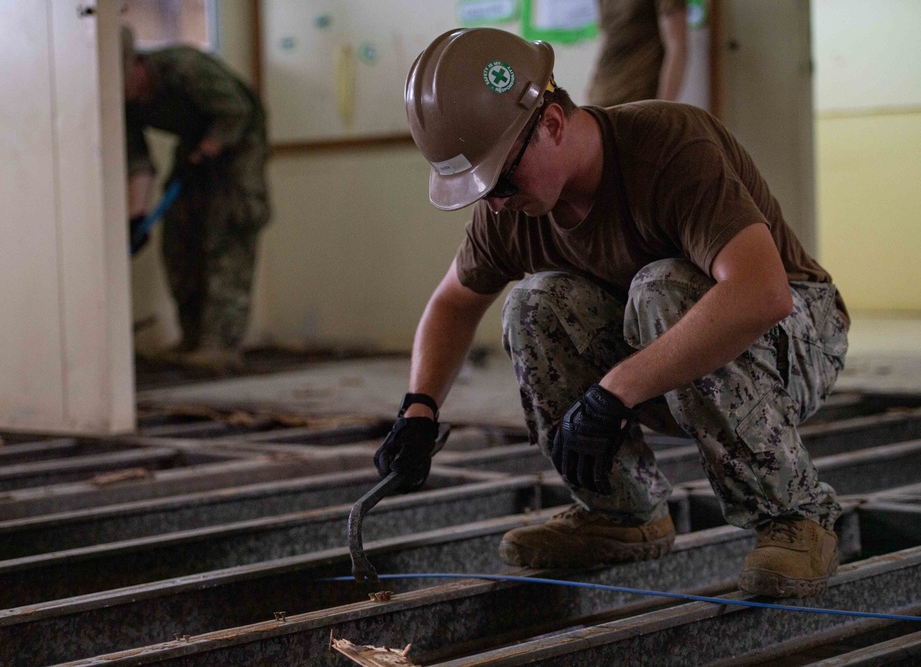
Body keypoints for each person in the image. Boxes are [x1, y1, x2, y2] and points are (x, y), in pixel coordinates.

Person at [374, 28, 849, 599]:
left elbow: (760, 293)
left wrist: (615, 390)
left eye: (501, 180)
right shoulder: (510, 210)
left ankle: (794, 518)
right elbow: (453, 303)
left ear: (550, 124)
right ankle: (624, 514)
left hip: (796, 338)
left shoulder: (669, 143)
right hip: (671, 352)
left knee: (662, 286)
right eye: (482, 191)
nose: (496, 202)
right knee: (533, 302)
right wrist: (419, 409)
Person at [122, 25, 270, 371]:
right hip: (193, 151)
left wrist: (207, 152)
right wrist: (136, 217)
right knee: (179, 236)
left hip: (238, 146)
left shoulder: (185, 67)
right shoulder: (123, 103)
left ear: (137, 65)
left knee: (228, 232)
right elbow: (137, 161)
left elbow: (237, 111)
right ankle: (192, 339)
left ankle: (221, 344)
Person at [588, 0, 689, 106]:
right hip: (601, 94)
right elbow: (607, 39)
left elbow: (676, 47)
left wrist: (662, 108)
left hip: (640, 93)